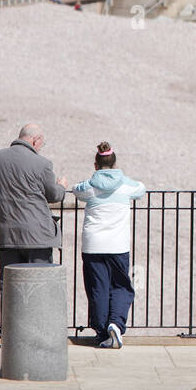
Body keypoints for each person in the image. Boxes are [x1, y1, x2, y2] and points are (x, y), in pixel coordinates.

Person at [70, 142, 145, 348]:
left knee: (97, 288)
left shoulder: (89, 186)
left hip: (93, 245)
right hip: (118, 245)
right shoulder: (125, 184)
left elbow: (76, 189)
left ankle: (102, 332)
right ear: (114, 163)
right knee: (121, 286)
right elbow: (141, 189)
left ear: (96, 164)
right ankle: (116, 324)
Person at [0, 124, 68, 283]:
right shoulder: (42, 163)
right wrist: (62, 186)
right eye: (41, 144)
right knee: (39, 285)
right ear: (35, 140)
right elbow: (54, 195)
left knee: (9, 285)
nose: (40, 148)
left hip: (6, 233)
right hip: (36, 235)